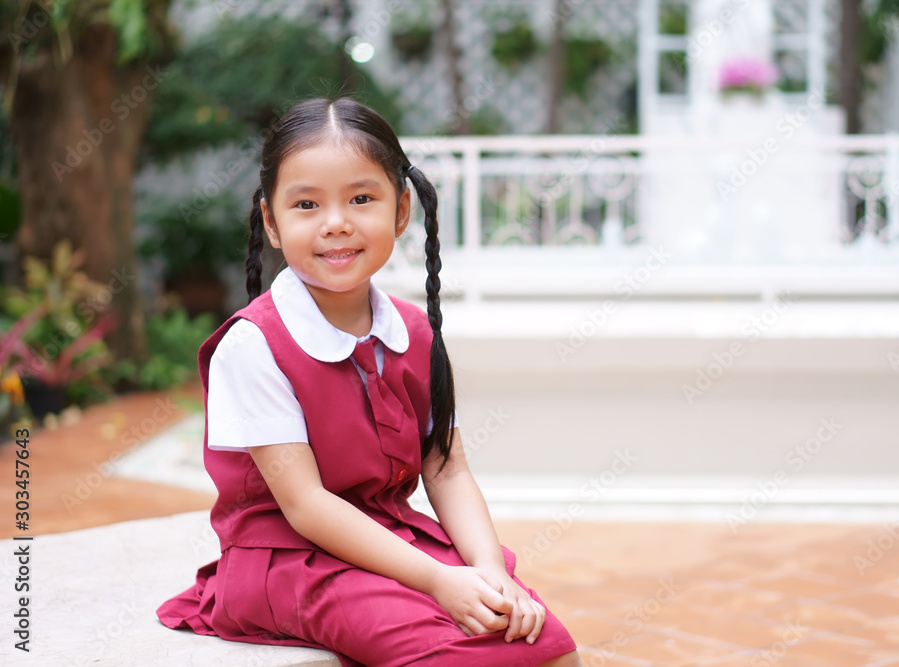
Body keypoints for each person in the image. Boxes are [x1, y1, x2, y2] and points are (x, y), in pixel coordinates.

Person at [156, 97, 582, 667]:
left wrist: (483, 571)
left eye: (361, 198)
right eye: (307, 203)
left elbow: (447, 467)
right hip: (288, 562)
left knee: (544, 642)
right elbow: (305, 506)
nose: (336, 222)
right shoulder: (255, 345)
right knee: (459, 655)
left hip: (388, 537)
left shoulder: (412, 332)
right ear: (271, 222)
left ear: (401, 211)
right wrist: (437, 580)